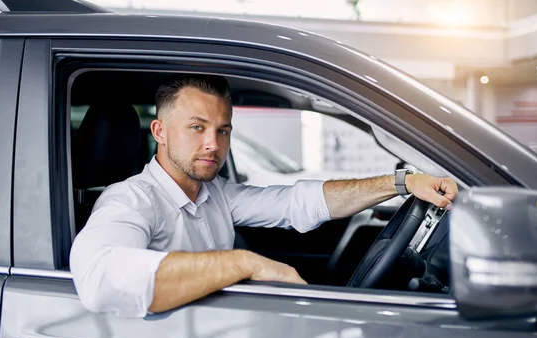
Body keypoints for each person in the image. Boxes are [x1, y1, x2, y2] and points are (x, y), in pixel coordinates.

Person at [70, 74, 458, 318]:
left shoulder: (214, 193)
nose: (212, 144)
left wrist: (402, 182)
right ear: (160, 131)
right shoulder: (130, 200)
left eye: (223, 130)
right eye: (197, 127)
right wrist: (245, 263)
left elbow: (297, 202)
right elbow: (100, 278)